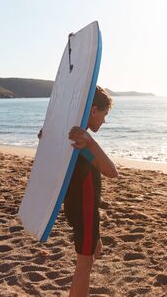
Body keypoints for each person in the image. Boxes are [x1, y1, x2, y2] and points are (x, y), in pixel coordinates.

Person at [38, 86, 117, 297]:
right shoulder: (81, 144)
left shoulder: (68, 138)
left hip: (77, 210)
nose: (104, 120)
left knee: (93, 252)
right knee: (84, 268)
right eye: (104, 114)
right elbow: (111, 171)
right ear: (93, 110)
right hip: (85, 215)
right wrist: (91, 143)